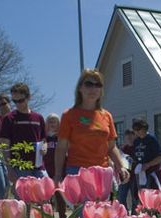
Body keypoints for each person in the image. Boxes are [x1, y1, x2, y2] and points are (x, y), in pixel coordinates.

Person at [54, 69, 129, 197]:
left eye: (98, 85)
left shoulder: (106, 116)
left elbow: (111, 147)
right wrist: (58, 175)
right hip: (77, 171)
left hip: (103, 173)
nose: (93, 89)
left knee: (104, 214)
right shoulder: (69, 115)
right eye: (88, 84)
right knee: (84, 214)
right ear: (80, 88)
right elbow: (61, 148)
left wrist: (121, 166)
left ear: (101, 91)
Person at [0, 82, 47, 182]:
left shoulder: (38, 117)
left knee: (46, 195)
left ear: (28, 97)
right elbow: (4, 146)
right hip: (19, 168)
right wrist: (9, 170)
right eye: (14, 101)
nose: (17, 104)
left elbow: (44, 139)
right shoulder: (9, 118)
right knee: (23, 197)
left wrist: (44, 147)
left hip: (38, 166)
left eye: (20, 100)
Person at [44, 113, 67, 218]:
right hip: (46, 170)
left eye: (54, 121)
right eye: (50, 121)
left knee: (60, 195)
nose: (52, 123)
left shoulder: (62, 137)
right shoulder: (43, 138)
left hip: (60, 170)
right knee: (47, 196)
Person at [132, 118, 161, 192]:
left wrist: (148, 164)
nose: (137, 132)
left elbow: (160, 157)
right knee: (139, 195)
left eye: (138, 129)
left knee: (151, 194)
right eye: (135, 130)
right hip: (139, 173)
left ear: (144, 128)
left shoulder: (151, 140)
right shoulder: (136, 141)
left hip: (151, 173)